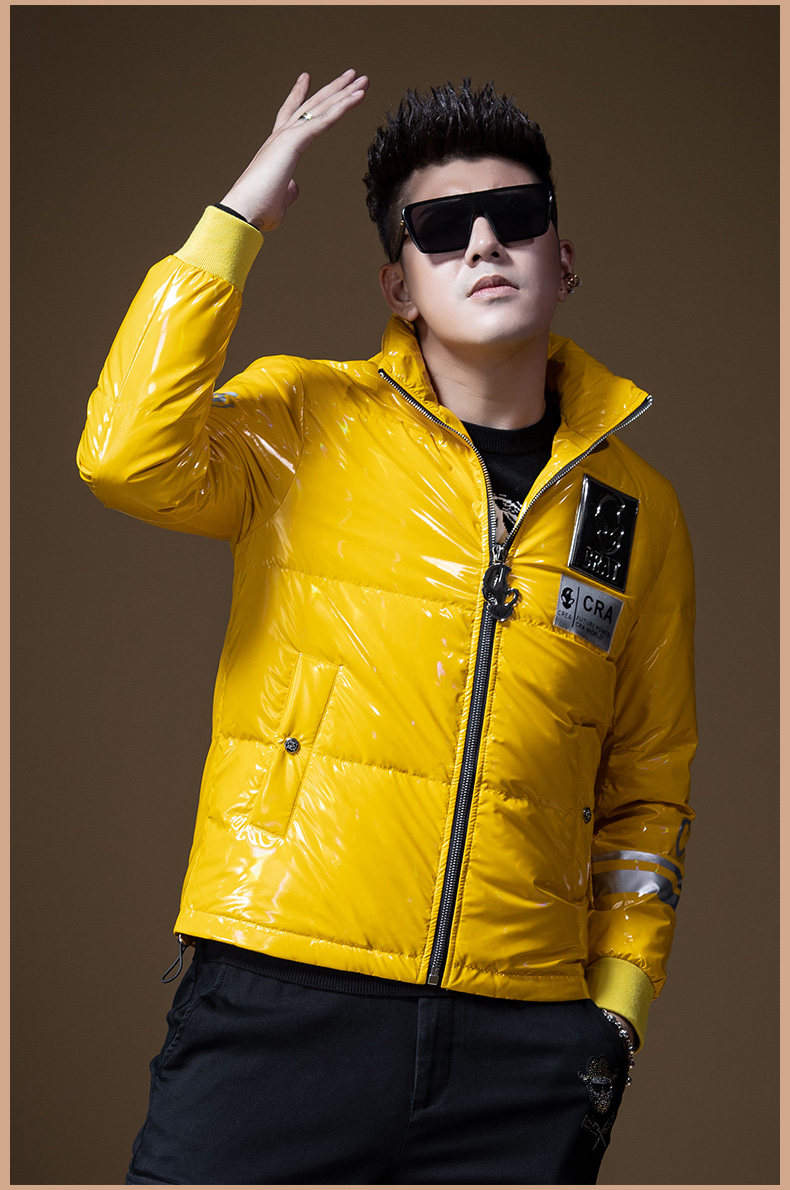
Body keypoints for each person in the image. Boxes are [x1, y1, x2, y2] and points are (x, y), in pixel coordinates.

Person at [77, 69, 697, 1185]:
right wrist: (237, 221)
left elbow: (649, 787)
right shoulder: (302, 418)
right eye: (440, 228)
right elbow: (124, 454)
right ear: (397, 285)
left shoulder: (635, 510)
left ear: (563, 258)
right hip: (281, 990)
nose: (482, 243)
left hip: (524, 1040)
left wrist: (615, 1012)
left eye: (514, 216)